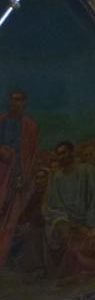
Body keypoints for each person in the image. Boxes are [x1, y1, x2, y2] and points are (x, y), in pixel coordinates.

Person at [42, 140, 95, 260]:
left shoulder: (88, 170)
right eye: (58, 154)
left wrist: (88, 223)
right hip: (68, 221)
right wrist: (70, 222)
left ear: (72, 153)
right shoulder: (57, 178)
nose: (61, 157)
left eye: (63, 153)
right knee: (62, 228)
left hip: (90, 219)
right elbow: (54, 206)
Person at [0, 89, 39, 264]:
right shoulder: (2, 120)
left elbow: (32, 153)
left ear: (24, 103)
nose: (14, 103)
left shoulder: (30, 126)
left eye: (18, 100)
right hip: (1, 167)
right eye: (12, 99)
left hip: (17, 170)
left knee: (12, 211)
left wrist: (25, 175)